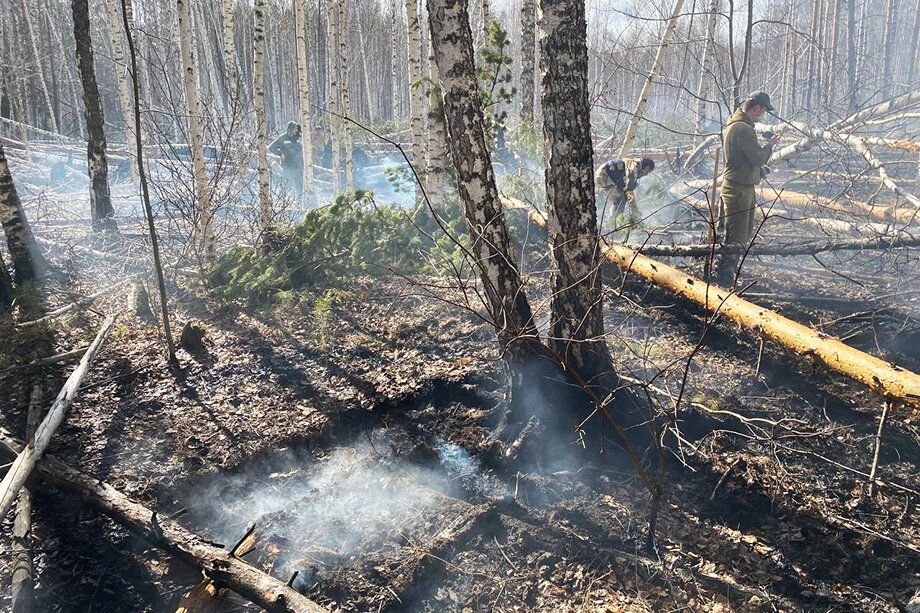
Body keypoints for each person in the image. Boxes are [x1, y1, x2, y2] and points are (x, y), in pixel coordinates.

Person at [714, 91, 781, 284]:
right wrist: (770, 145)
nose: (762, 115)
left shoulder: (737, 125)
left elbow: (743, 160)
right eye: (762, 111)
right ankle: (724, 277)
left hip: (741, 187)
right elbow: (758, 158)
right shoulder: (743, 129)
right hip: (738, 190)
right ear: (757, 107)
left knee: (740, 233)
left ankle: (727, 272)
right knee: (736, 234)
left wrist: (758, 172)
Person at [594, 157, 655, 229]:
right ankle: (614, 224)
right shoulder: (634, 166)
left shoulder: (635, 164)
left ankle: (615, 222)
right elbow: (629, 188)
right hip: (604, 176)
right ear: (647, 167)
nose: (647, 174)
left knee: (621, 198)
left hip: (608, 176)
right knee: (620, 199)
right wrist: (635, 210)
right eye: (648, 171)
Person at [269, 121, 304, 197]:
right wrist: (280, 154)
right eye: (295, 128)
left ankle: (300, 202)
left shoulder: (298, 138)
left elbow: (302, 152)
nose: (296, 130)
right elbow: (271, 147)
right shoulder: (283, 138)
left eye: (297, 129)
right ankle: (282, 201)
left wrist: (303, 165)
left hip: (298, 166)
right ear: (290, 129)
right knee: (287, 185)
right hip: (288, 166)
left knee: (300, 187)